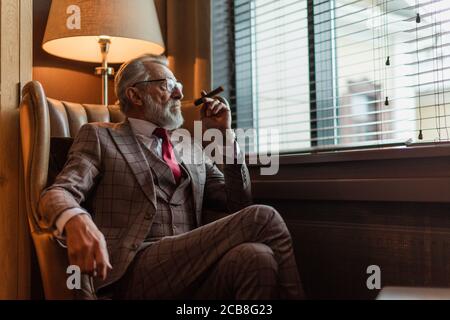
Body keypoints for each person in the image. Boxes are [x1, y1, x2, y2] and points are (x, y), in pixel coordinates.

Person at [38, 54, 304, 300]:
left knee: (258, 258)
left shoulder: (188, 146)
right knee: (264, 217)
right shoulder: (100, 136)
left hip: (190, 268)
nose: (180, 92)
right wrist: (76, 219)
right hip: (132, 270)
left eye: (178, 84)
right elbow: (58, 192)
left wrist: (226, 136)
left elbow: (238, 204)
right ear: (136, 95)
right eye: (168, 84)